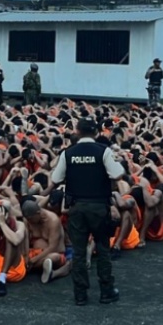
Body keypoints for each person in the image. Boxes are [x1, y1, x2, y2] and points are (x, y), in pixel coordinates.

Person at [50, 118, 125, 305]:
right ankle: (106, 290)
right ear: (97, 132)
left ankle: (80, 294)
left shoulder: (68, 153)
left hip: (77, 207)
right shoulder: (103, 151)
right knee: (102, 249)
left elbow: (56, 178)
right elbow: (117, 174)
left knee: (79, 252)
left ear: (77, 131)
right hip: (99, 206)